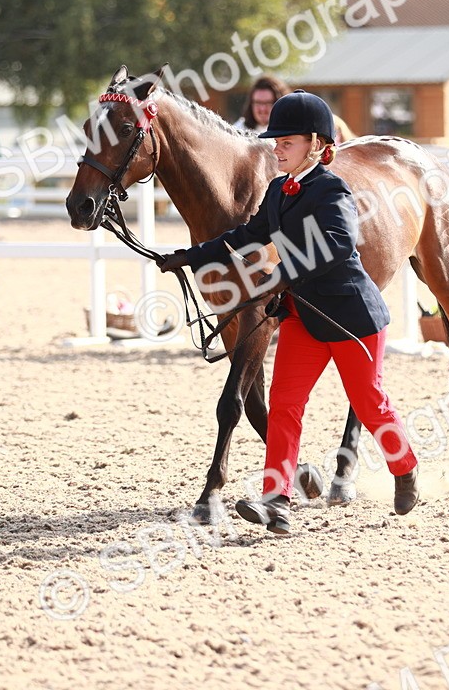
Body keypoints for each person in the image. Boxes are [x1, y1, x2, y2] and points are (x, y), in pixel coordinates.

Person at [158, 90, 420, 535]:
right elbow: (248, 233)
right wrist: (189, 256)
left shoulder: (333, 188)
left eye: (286, 143)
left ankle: (406, 465)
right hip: (302, 316)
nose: (275, 149)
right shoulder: (279, 189)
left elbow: (338, 245)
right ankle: (276, 500)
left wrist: (278, 272)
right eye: (275, 143)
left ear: (316, 145)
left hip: (350, 316)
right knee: (284, 404)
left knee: (369, 403)